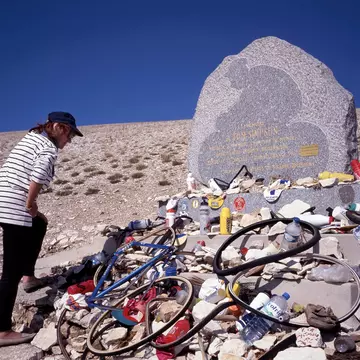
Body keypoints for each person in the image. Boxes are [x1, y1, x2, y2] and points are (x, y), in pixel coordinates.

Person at [0, 111, 83, 347]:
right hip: (14, 204)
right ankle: (3, 330)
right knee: (9, 272)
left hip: (4, 197)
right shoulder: (48, 149)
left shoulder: (32, 138)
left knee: (39, 223)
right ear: (58, 127)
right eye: (69, 135)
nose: (69, 141)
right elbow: (36, 176)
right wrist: (29, 204)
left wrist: (33, 207)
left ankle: (29, 275)